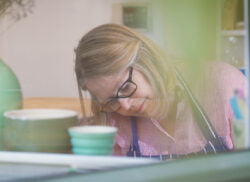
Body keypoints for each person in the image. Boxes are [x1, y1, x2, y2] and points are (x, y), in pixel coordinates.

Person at [74, 23, 247, 159]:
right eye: (111, 101)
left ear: (145, 59)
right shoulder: (112, 122)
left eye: (125, 87)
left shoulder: (225, 85)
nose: (125, 106)